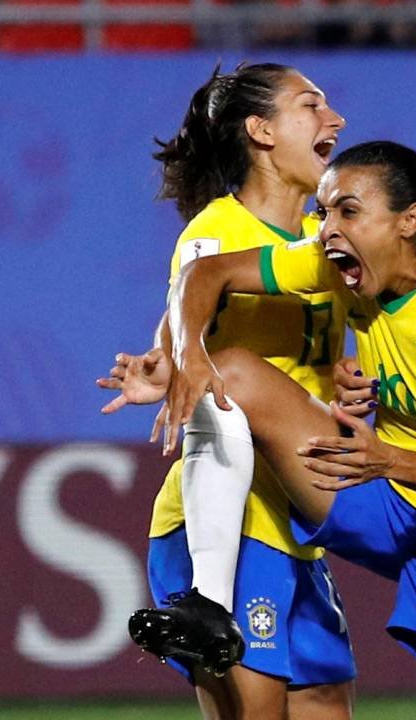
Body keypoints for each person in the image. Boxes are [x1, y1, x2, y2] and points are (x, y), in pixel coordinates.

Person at [117, 140, 416, 720]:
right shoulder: (334, 261)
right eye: (326, 209)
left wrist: (386, 459)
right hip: (378, 491)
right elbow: (204, 273)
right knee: (230, 370)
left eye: (348, 212)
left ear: (409, 221)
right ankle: (208, 601)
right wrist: (185, 358)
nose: (326, 229)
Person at [97, 63, 355, 720]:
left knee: (328, 701)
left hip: (294, 524)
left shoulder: (321, 240)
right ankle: (201, 604)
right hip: (229, 525)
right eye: (311, 106)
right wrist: (174, 356)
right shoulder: (218, 232)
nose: (336, 120)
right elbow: (191, 296)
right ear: (261, 131)